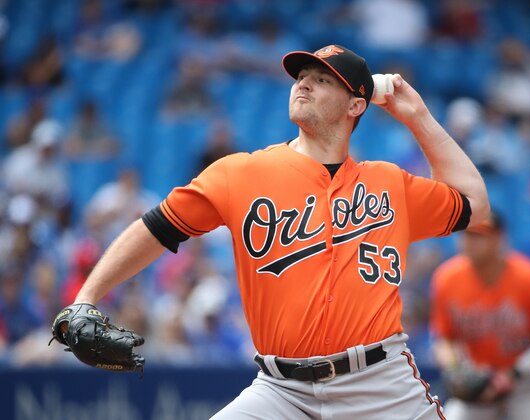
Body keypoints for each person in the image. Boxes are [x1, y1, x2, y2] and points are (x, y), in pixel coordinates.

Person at [52, 44, 489, 419]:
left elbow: (476, 206)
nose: (304, 83)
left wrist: (417, 116)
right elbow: (156, 227)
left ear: (357, 105)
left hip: (382, 386)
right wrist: (85, 298)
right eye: (302, 76)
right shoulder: (240, 173)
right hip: (282, 390)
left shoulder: (389, 182)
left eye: (322, 80)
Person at [430, 212, 530, 420]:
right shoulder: (447, 279)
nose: (468, 242)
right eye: (465, 235)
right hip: (482, 383)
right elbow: (444, 338)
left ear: (499, 239)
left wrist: (514, 374)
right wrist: (455, 369)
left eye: (478, 235)